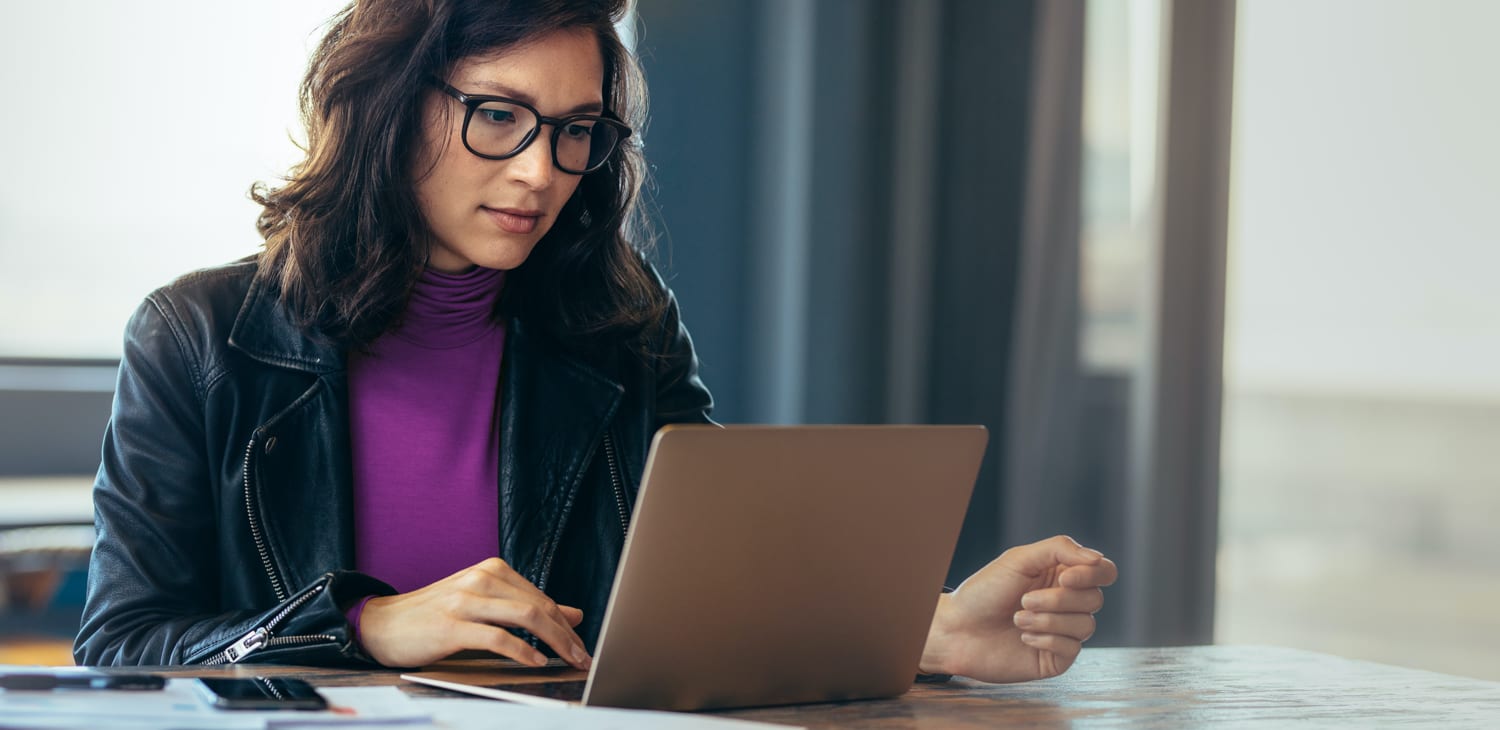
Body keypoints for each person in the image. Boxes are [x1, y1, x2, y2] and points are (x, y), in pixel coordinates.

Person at [73, 0, 1117, 684]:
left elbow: (714, 593)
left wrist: (926, 628)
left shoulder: (619, 321)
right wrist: (367, 627)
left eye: (577, 130)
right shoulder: (200, 338)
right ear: (388, 107)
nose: (541, 171)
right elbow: (120, 649)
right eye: (498, 116)